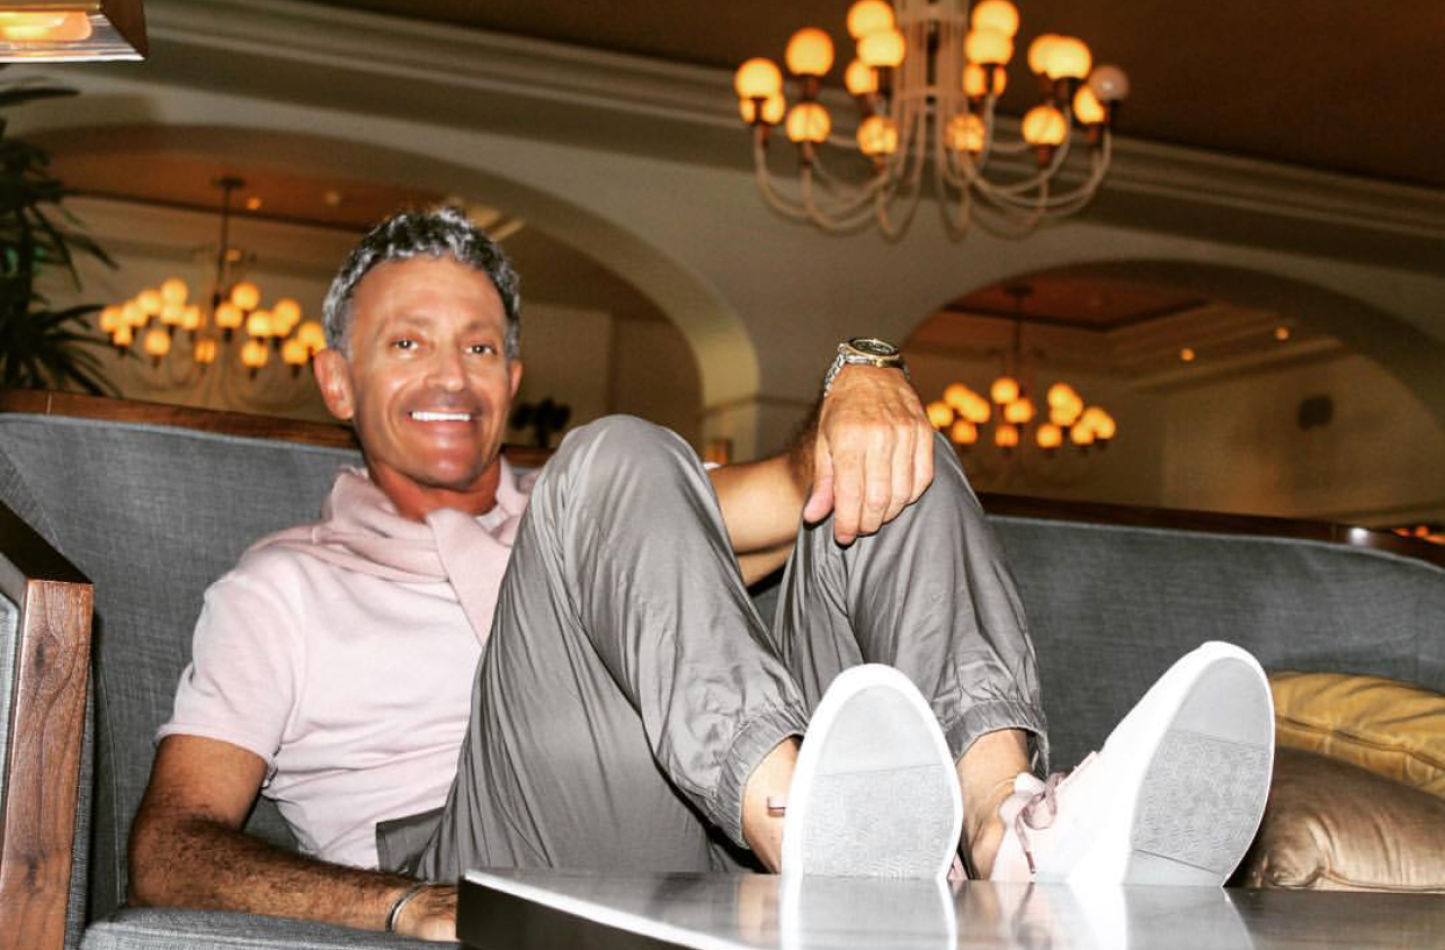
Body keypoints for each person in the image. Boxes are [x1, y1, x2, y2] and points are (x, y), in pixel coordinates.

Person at [128, 207, 1274, 943]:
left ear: (512, 373)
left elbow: (808, 478)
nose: (451, 375)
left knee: (887, 464)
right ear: (336, 378)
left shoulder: (604, 513)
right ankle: (805, 818)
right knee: (612, 453)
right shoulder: (281, 585)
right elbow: (169, 844)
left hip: (706, 821)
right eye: (406, 342)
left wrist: (864, 374)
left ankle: (1005, 827)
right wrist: (391, 902)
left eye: (478, 345)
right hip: (491, 852)